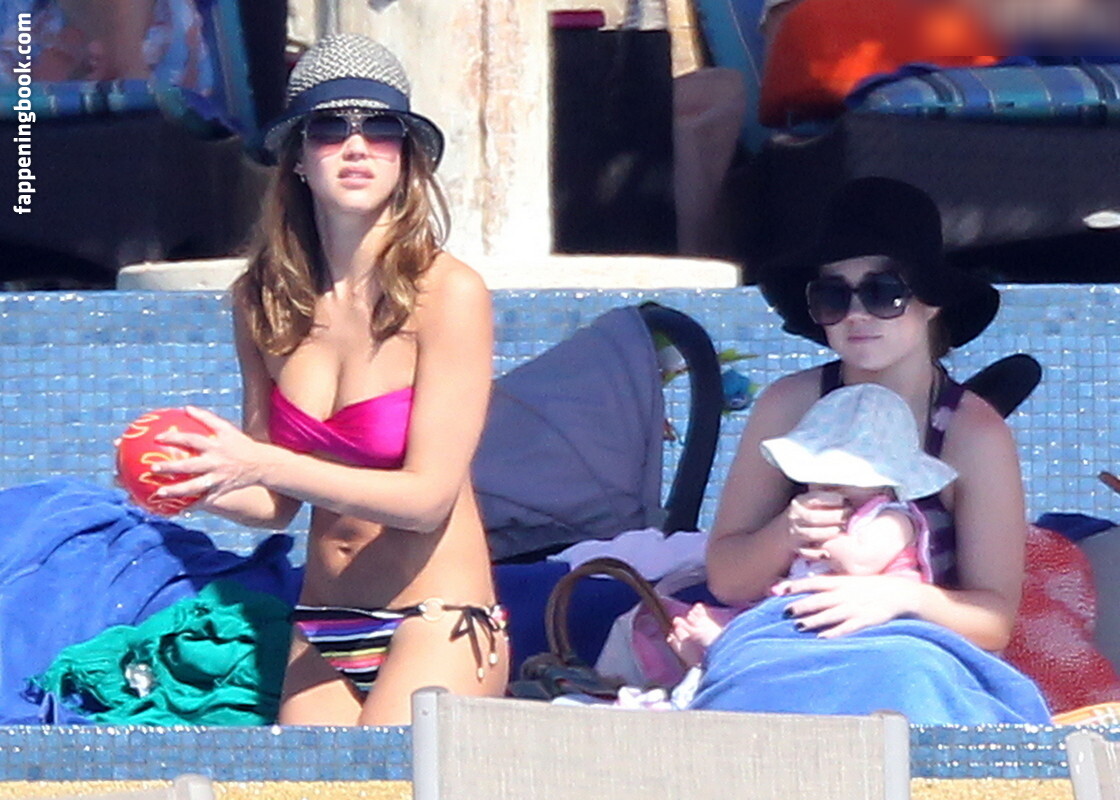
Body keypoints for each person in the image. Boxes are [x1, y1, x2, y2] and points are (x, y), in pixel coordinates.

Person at [147, 33, 508, 725]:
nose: (357, 146)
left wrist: (261, 462)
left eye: (381, 128)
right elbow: (275, 503)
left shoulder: (449, 294)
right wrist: (196, 480)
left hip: (435, 617)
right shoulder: (263, 301)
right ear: (297, 158)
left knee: (388, 776)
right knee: (310, 781)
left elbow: (426, 499)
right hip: (322, 623)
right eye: (330, 128)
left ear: (407, 156)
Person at [691, 177, 1049, 724]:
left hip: (911, 651)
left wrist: (897, 598)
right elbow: (726, 578)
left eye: (883, 292)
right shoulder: (790, 405)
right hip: (789, 641)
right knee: (745, 683)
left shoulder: (972, 433)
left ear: (931, 302)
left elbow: (994, 622)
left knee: (902, 677)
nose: (856, 314)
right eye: (833, 295)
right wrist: (787, 531)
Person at [669, 382, 957, 668]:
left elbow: (859, 563)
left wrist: (822, 537)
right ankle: (726, 650)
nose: (831, 484)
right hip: (804, 607)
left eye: (848, 476)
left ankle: (729, 649)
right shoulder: (816, 515)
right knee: (764, 621)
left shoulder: (894, 518)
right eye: (819, 473)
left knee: (796, 639)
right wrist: (791, 535)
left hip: (867, 616)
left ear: (887, 481)